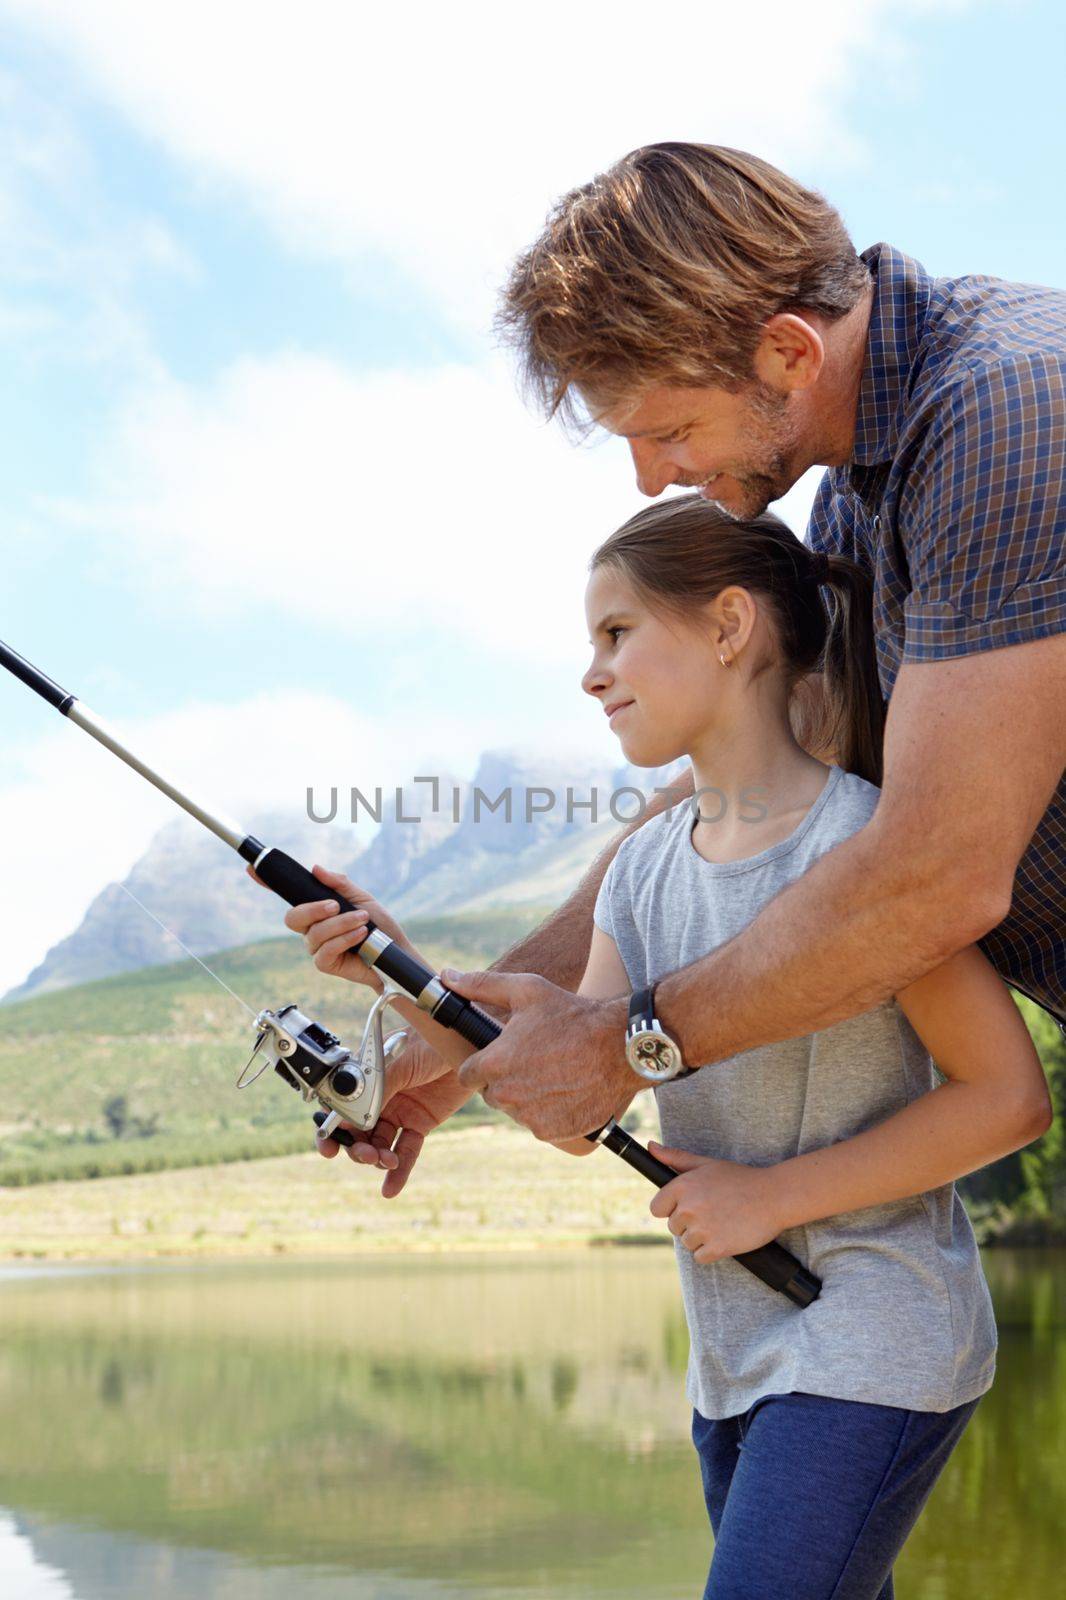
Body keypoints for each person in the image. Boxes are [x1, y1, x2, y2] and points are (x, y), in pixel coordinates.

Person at [277, 495, 1050, 1598]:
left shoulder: (868, 849)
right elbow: (573, 1097)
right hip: (732, 1356)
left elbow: (1008, 1099)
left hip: (877, 1329)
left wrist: (772, 1196)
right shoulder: (640, 873)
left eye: (616, 633)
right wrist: (399, 974)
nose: (590, 675)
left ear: (731, 628)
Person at [300, 139, 1060, 1181]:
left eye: (668, 429)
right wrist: (459, 1040)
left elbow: (937, 873)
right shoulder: (854, 497)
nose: (654, 478)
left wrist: (625, 1046)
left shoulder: (1005, 410)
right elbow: (742, 787)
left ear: (790, 352)